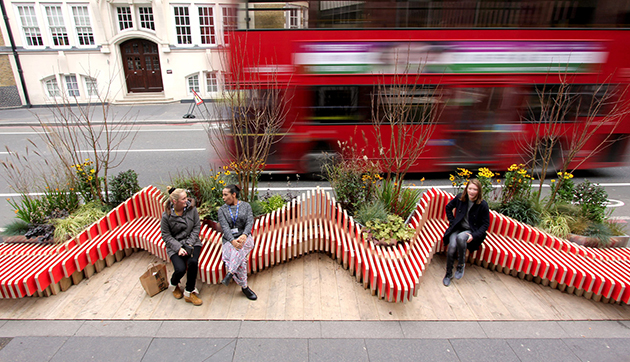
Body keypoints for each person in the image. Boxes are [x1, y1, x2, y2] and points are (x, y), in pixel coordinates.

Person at [442, 179, 490, 287]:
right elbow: (448, 207)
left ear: (479, 191)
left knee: (460, 237)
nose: (472, 192)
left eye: (475, 189)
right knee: (452, 247)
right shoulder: (460, 198)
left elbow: (485, 225)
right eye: (470, 188)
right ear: (466, 189)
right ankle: (448, 274)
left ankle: (461, 264)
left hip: (471, 231)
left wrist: (474, 235)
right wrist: (452, 221)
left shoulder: (483, 205)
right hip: (458, 227)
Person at [161, 187, 203, 306]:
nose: (187, 201)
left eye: (186, 197)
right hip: (175, 244)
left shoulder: (192, 209)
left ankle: (189, 292)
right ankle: (174, 284)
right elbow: (166, 235)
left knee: (193, 262)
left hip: (192, 242)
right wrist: (178, 248)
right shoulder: (166, 216)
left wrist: (189, 243)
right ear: (175, 201)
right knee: (180, 269)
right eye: (183, 199)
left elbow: (196, 227)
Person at [217, 184, 257, 300]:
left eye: (226, 195)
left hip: (245, 238)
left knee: (239, 249)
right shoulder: (222, 210)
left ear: (233, 195)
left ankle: (230, 272)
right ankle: (244, 287)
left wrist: (244, 235)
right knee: (240, 256)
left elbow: (250, 222)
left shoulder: (246, 206)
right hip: (229, 240)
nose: (223, 197)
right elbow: (225, 228)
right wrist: (233, 241)